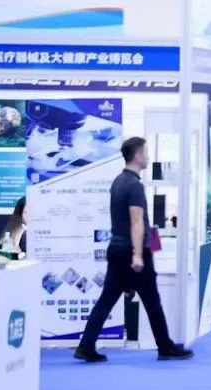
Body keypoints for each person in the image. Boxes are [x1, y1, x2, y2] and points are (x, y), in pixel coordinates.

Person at [75, 137, 192, 363]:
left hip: (117, 249)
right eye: (146, 153)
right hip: (132, 252)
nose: (148, 157)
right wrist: (138, 254)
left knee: (107, 299)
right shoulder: (135, 186)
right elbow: (136, 221)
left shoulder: (118, 181)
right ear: (137, 156)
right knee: (152, 301)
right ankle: (165, 346)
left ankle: (86, 345)